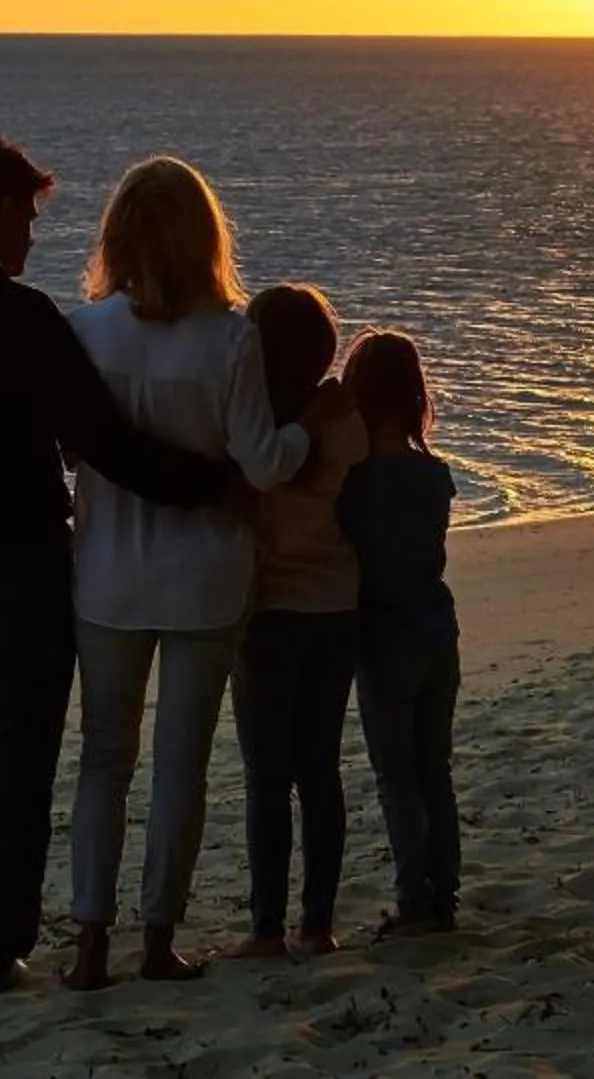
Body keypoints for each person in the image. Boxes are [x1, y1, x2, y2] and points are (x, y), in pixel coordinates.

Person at [0, 132, 241, 998]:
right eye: (25, 215)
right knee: (15, 763)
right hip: (23, 564)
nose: (31, 234)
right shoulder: (26, 321)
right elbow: (102, 443)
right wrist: (216, 483)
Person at [63, 156, 313, 989]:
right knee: (180, 763)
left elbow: (73, 451)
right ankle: (159, 935)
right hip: (205, 577)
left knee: (105, 758)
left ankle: (91, 937)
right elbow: (262, 463)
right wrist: (313, 429)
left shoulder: (86, 330)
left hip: (106, 574)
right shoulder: (230, 337)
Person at [222, 282, 369, 961]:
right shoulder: (343, 420)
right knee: (320, 770)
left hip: (270, 612)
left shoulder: (246, 421)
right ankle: (318, 923)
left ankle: (266, 927)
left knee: (266, 777)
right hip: (336, 605)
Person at [335, 328, 461, 937]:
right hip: (438, 631)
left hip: (384, 641)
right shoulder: (434, 476)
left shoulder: (353, 485)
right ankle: (446, 893)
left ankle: (415, 899)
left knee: (397, 777)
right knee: (435, 769)